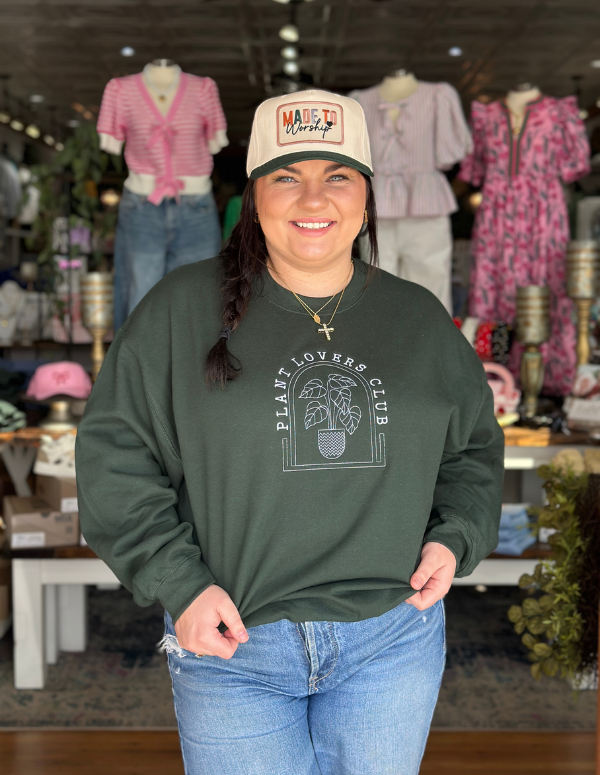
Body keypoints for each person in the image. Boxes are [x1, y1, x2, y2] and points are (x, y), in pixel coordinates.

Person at [76, 89, 504, 775]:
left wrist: (456, 538)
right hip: (234, 644)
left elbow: (474, 451)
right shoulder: (179, 311)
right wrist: (178, 583)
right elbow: (113, 458)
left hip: (391, 638)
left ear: (367, 196)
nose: (313, 200)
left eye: (337, 176)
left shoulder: (419, 319)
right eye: (286, 177)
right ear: (254, 197)